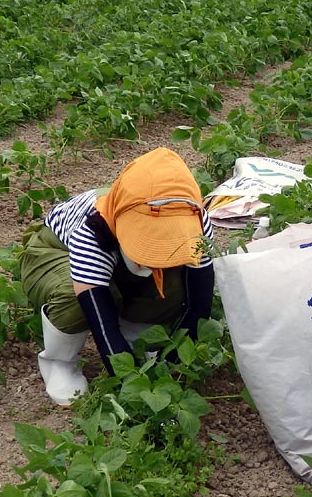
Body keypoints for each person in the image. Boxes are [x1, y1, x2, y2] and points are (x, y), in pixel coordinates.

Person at [20, 147, 215, 407]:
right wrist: (132, 389)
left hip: (116, 256)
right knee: (77, 297)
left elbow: (199, 304)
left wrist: (175, 358)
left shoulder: (196, 220)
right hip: (55, 251)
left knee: (173, 283)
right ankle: (59, 362)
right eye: (148, 240)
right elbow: (102, 325)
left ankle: (137, 338)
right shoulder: (94, 230)